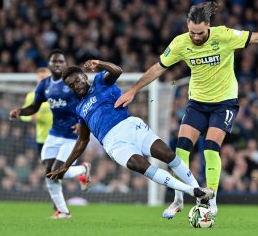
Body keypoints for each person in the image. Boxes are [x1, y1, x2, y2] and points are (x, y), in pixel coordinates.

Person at [114, 1, 258, 218]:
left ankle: (212, 201)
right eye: (192, 32)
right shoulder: (180, 43)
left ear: (208, 25)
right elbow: (157, 68)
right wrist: (132, 90)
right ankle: (178, 199)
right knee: (180, 149)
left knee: (210, 148)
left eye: (199, 33)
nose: (196, 37)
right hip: (197, 103)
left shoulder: (225, 36)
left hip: (224, 103)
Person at [46, 60, 214, 211]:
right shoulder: (79, 108)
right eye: (71, 85)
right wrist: (66, 166)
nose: (75, 85)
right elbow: (83, 140)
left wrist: (100, 64)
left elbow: (117, 71)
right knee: (142, 166)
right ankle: (194, 191)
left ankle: (195, 196)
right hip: (113, 143)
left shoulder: (100, 81)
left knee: (169, 155)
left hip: (131, 127)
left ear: (84, 76)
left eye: (77, 80)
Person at [9, 49, 91, 219]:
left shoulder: (71, 83)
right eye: (54, 62)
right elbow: (34, 106)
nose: (58, 64)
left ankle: (83, 169)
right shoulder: (45, 84)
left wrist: (80, 122)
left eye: (61, 61)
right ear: (49, 64)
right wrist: (21, 111)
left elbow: (86, 102)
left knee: (58, 172)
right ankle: (63, 211)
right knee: (49, 173)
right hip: (54, 135)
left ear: (65, 64)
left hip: (72, 136)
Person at [20, 68, 52, 155]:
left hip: (61, 136)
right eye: (42, 78)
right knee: (50, 168)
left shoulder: (59, 94)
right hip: (42, 138)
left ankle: (81, 169)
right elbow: (23, 115)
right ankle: (81, 169)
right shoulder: (31, 96)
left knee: (59, 167)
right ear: (37, 80)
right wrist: (31, 116)